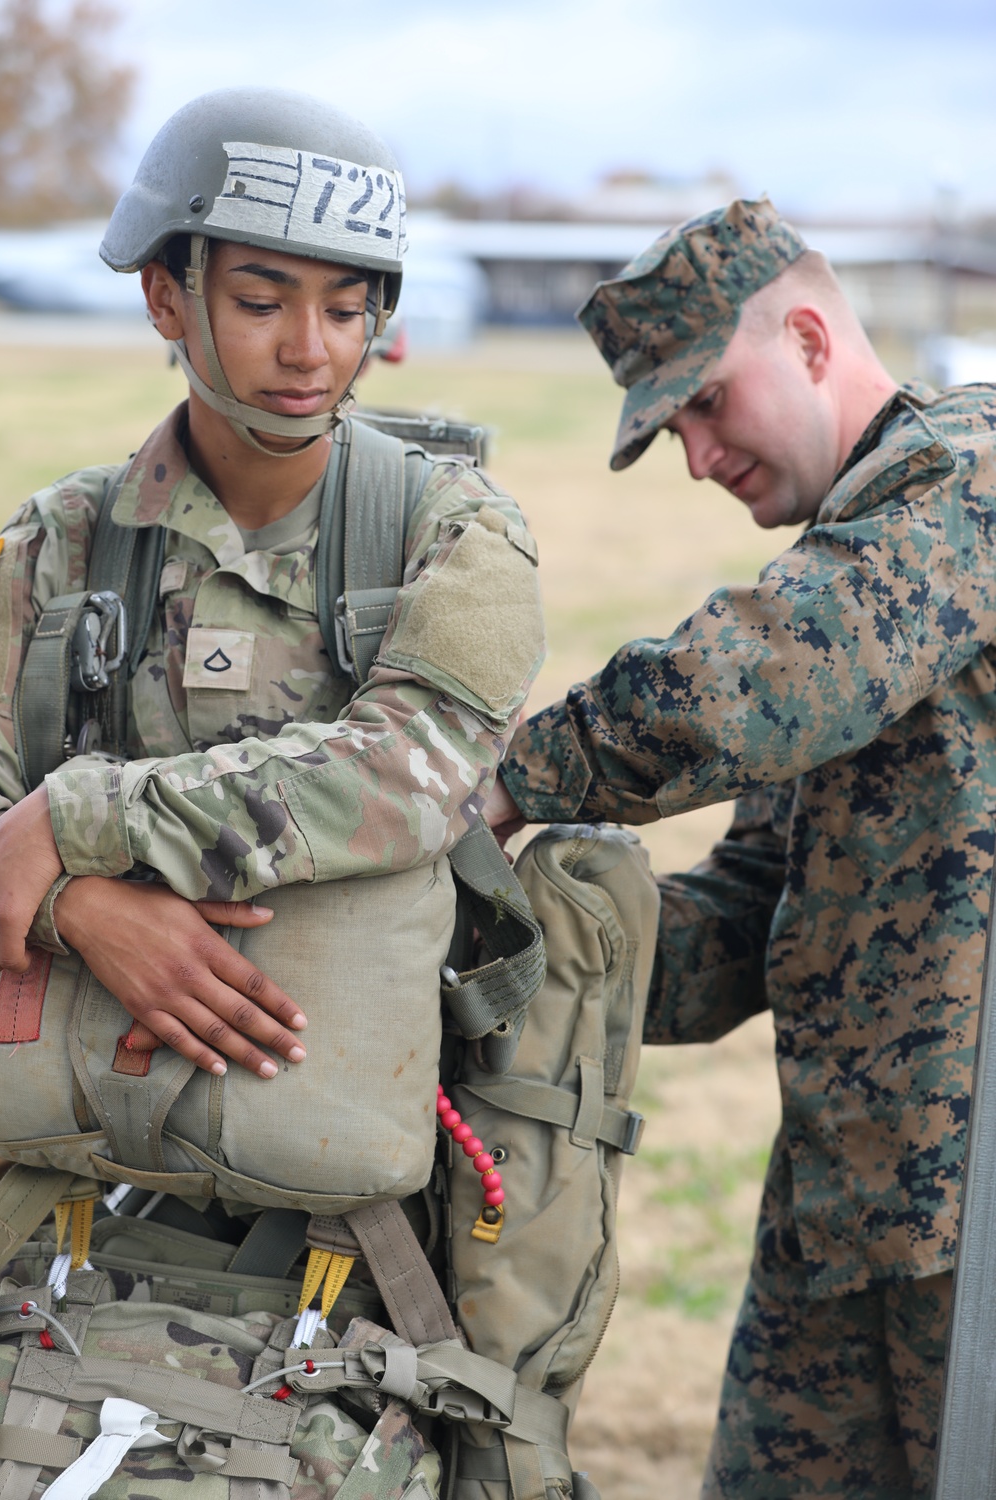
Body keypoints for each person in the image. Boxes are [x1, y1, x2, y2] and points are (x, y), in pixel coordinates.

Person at [484, 197, 996, 1498]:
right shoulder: (855, 548)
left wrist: (508, 780)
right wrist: (498, 936)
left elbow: (751, 683)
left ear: (813, 340)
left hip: (973, 1238)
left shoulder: (969, 488)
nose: (699, 460)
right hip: (846, 1209)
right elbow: (752, 918)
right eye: (671, 436)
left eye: (706, 405)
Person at [0, 86, 543, 1081]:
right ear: (167, 296)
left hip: (360, 1176)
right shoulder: (57, 544)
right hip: (67, 1188)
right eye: (260, 302)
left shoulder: (456, 529)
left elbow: (415, 775)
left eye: (345, 309)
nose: (310, 350)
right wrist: (78, 909)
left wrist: (87, 822)